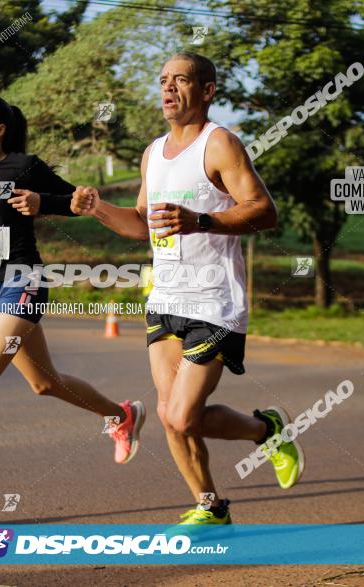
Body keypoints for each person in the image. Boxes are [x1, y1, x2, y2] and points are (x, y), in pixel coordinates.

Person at [71, 53, 303, 525]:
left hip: (215, 301)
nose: (168, 88)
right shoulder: (152, 153)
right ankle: (210, 507)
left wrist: (201, 220)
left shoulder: (219, 145)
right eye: (163, 81)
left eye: (180, 80)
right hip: (166, 298)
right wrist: (96, 208)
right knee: (169, 412)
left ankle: (266, 429)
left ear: (207, 91)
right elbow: (141, 225)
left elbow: (263, 210)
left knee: (181, 416)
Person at [0, 96, 146, 522]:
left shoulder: (24, 167)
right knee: (44, 383)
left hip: (25, 282)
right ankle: (121, 414)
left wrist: (41, 203)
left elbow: (78, 201)